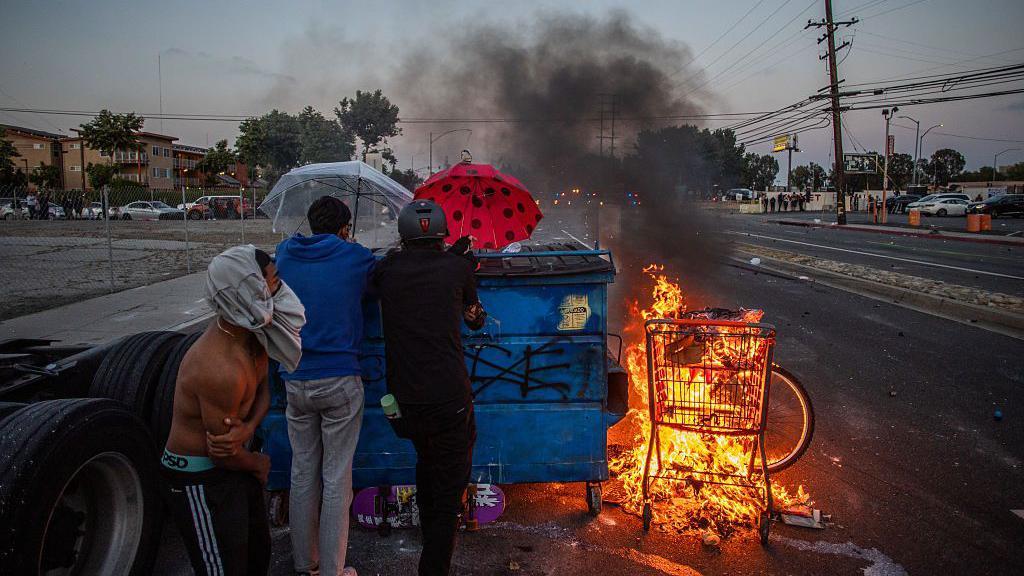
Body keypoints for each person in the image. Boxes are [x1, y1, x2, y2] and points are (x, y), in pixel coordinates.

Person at [161, 245, 306, 576]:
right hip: (200, 476)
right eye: (273, 281)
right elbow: (221, 452)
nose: (280, 287)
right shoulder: (219, 367)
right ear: (250, 292)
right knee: (223, 568)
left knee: (257, 554)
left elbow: (264, 388)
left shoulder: (254, 335)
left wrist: (248, 426)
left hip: (237, 459)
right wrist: (258, 463)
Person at [370, 200, 486, 576]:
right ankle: (433, 565)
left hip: (403, 404)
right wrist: (459, 257)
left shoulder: (386, 270)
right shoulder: (459, 267)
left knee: (426, 461)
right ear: (441, 233)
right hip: (449, 399)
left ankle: (428, 538)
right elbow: (473, 316)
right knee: (450, 490)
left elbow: (398, 276)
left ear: (404, 234)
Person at [275, 196, 375, 576]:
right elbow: (373, 286)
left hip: (295, 380)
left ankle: (306, 566)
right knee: (336, 478)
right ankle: (333, 571)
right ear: (344, 228)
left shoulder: (285, 253)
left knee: (302, 473)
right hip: (339, 381)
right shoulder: (357, 257)